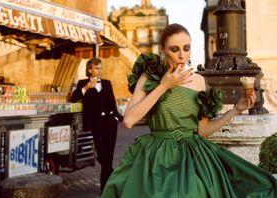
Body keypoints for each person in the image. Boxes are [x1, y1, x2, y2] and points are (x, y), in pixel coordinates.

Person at [102, 23, 277, 197]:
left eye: (186, 48)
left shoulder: (199, 81)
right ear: (162, 50)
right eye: (174, 49)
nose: (181, 55)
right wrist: (164, 85)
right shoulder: (150, 76)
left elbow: (202, 131)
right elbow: (129, 120)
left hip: (193, 156)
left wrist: (236, 110)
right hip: (156, 157)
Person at [69, 57, 121, 192]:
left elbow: (113, 101)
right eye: (97, 68)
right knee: (103, 156)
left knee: (108, 156)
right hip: (96, 124)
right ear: (89, 69)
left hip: (110, 122)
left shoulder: (107, 83)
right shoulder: (82, 83)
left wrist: (116, 117)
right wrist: (87, 87)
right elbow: (73, 99)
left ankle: (105, 190)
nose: (99, 71)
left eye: (100, 68)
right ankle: (112, 177)